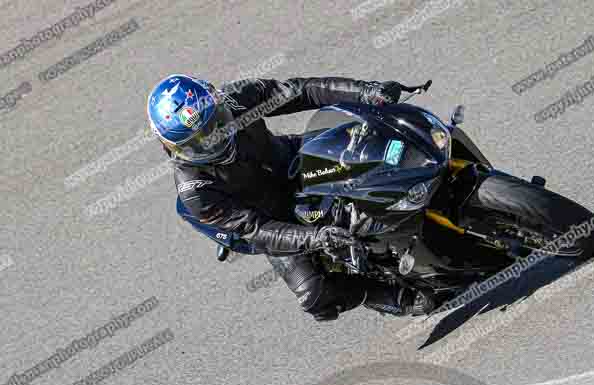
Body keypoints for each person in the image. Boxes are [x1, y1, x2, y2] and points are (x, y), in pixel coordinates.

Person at [147, 74, 434, 321]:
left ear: (219, 103)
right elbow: (256, 230)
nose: (215, 138)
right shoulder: (194, 190)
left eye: (217, 123)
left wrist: (367, 91)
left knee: (378, 139)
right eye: (198, 141)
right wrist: (316, 238)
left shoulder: (236, 98)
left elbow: (298, 90)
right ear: (170, 147)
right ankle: (386, 294)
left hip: (295, 160)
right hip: (273, 217)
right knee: (314, 297)